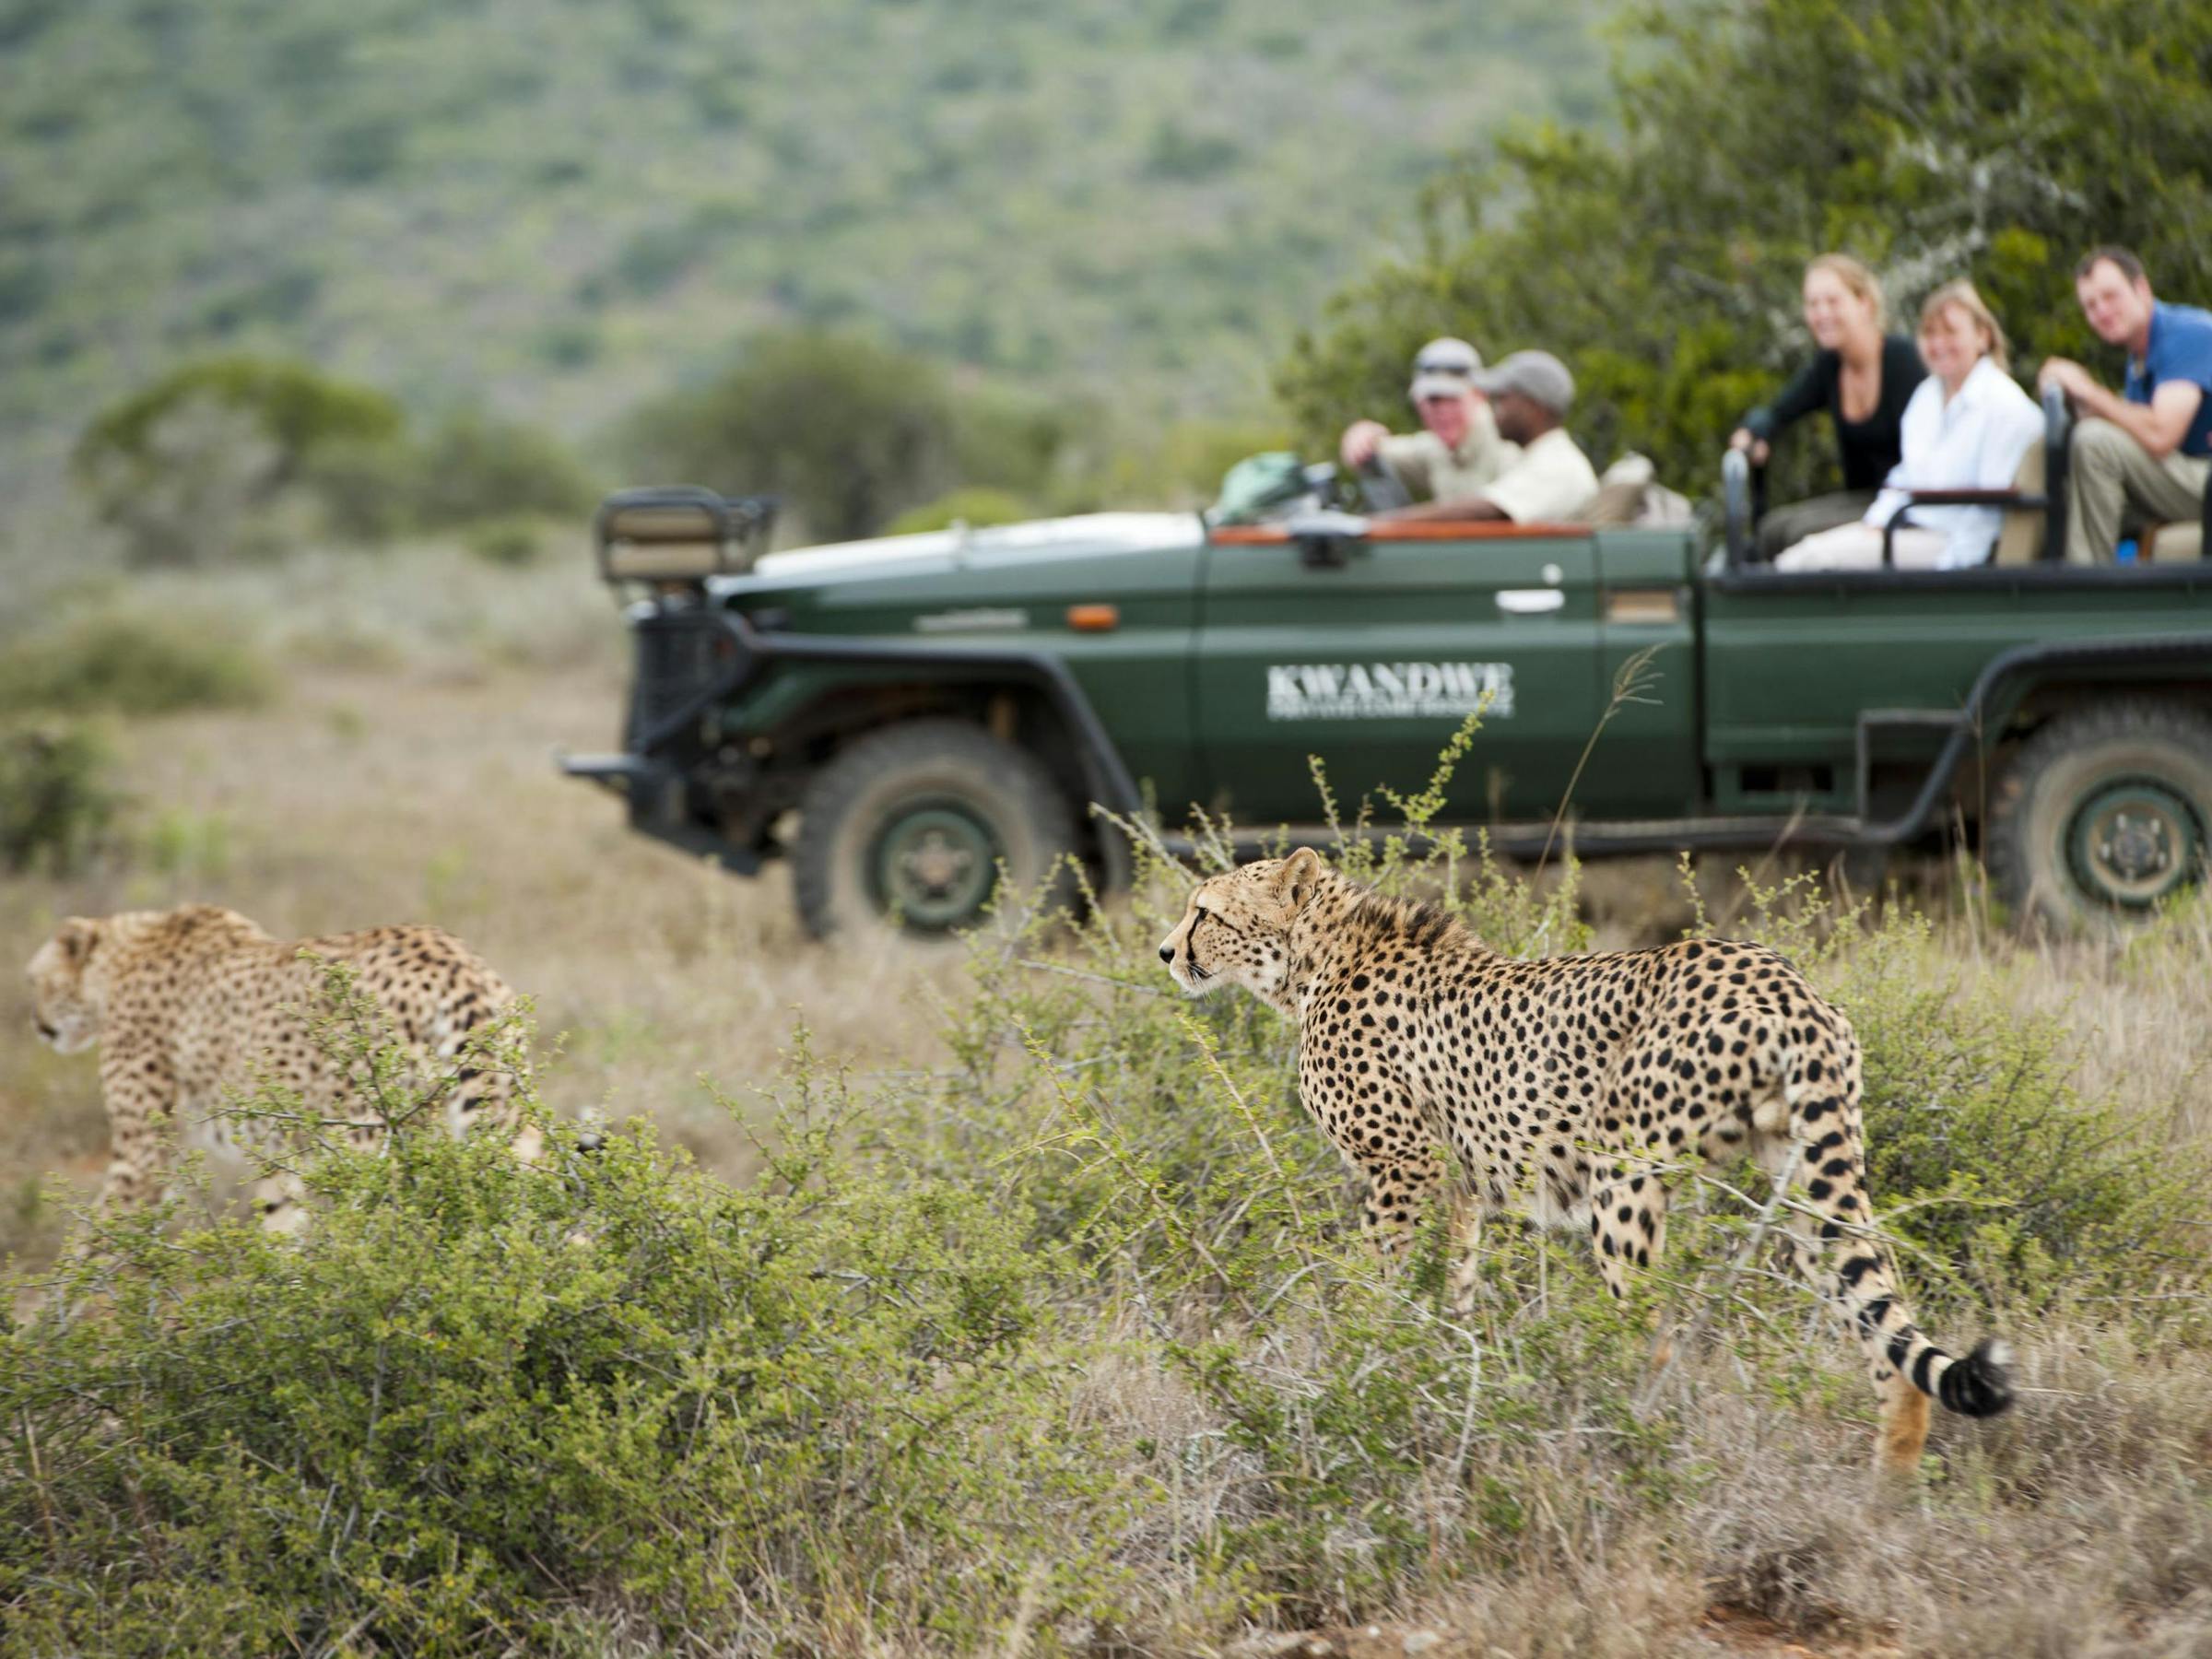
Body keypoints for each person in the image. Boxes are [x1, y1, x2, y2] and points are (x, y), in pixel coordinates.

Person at [1776, 281, 2041, 571]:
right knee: (1798, 550)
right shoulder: (1928, 394)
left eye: (1950, 332)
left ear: (1983, 336)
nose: (1939, 344)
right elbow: (1906, 476)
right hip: (1907, 529)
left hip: (1950, 546)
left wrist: (1947, 575)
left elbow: (1987, 514)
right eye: (1930, 333)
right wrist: (1876, 524)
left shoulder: (2004, 406)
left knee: (1806, 561)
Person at [1730, 254, 1926, 559]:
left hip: (1905, 506)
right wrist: (1754, 432)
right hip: (1862, 499)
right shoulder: (1830, 367)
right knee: (1772, 529)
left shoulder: (1902, 361)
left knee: (1796, 535)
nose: (1822, 314)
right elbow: (1779, 411)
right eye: (1813, 304)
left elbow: (1926, 457)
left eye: (1832, 302)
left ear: (1864, 303)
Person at [2036, 247, 2212, 562]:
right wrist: (2073, 398)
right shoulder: (2138, 358)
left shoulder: (2187, 334)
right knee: (2071, 480)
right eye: (2090, 305)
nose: (2102, 311)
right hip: (2191, 478)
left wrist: (2089, 390)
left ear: (2141, 289)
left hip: (2205, 479)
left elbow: (2160, 435)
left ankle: (2089, 593)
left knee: (2095, 442)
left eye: (2110, 296)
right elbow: (2134, 429)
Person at [1381, 349, 1598, 524]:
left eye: (1502, 400)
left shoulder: (1558, 464)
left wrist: (1380, 525)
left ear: (1533, 408)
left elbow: (1487, 510)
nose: (1494, 410)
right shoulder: (1531, 457)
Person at [1339, 336, 1518, 505]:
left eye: (1453, 398)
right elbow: (1371, 450)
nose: (1442, 411)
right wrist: (1362, 433)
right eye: (1432, 400)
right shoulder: (1435, 449)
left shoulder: (1509, 448)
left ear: (1479, 395)